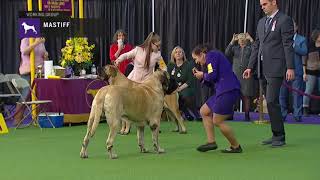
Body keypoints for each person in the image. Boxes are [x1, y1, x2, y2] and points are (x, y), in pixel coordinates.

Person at [243, 0, 295, 147]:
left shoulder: (285, 20)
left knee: (272, 101)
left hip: (276, 67)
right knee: (271, 102)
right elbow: (256, 45)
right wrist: (250, 67)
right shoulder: (261, 22)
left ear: (274, 2)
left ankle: (280, 136)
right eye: (261, 5)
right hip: (261, 68)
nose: (262, 7)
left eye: (265, 4)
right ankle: (275, 134)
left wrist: (290, 67)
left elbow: (288, 44)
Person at [192, 44, 242, 153]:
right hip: (222, 90)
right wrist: (201, 78)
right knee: (204, 111)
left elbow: (212, 76)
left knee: (217, 120)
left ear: (201, 54)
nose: (196, 62)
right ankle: (211, 142)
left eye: (196, 59)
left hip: (228, 90)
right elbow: (211, 80)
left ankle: (236, 146)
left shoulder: (211, 55)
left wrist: (202, 75)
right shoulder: (211, 58)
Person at [115, 32, 166, 134]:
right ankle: (126, 126)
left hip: (147, 83)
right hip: (133, 80)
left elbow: (163, 66)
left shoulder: (157, 54)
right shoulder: (138, 50)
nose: (159, 47)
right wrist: (118, 60)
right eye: (157, 45)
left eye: (160, 45)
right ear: (151, 43)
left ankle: (153, 122)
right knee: (128, 102)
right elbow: (126, 55)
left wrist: (162, 73)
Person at [14, 37, 48, 126]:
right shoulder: (25, 39)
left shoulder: (41, 41)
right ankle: (17, 118)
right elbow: (24, 51)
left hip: (39, 72)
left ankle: (38, 118)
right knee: (26, 94)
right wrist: (36, 43)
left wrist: (46, 56)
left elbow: (43, 54)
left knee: (38, 95)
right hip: (27, 72)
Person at [279, 20, 308, 122]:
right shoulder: (282, 39)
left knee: (296, 95)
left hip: (297, 71)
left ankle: (297, 116)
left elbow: (304, 51)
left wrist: (294, 46)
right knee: (282, 95)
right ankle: (282, 115)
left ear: (296, 27)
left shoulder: (302, 39)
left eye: (292, 26)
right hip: (283, 71)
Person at [225, 32, 255, 121]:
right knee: (233, 95)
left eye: (243, 39)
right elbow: (227, 53)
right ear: (238, 41)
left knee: (246, 95)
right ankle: (230, 114)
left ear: (246, 40)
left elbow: (256, 50)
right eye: (240, 40)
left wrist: (251, 39)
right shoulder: (235, 48)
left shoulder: (250, 48)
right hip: (235, 74)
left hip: (246, 75)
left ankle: (247, 115)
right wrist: (232, 41)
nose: (241, 41)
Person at [167, 46, 198, 120]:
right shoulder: (170, 66)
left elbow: (190, 80)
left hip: (187, 87)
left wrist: (179, 89)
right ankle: (187, 114)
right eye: (176, 52)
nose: (178, 54)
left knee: (184, 95)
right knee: (171, 96)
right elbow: (168, 79)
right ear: (173, 55)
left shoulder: (189, 65)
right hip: (174, 89)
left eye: (180, 52)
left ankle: (197, 114)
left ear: (183, 54)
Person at [302, 29, 320, 115]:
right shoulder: (310, 45)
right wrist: (304, 73)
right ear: (316, 36)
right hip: (310, 72)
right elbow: (304, 60)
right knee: (308, 90)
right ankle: (305, 108)